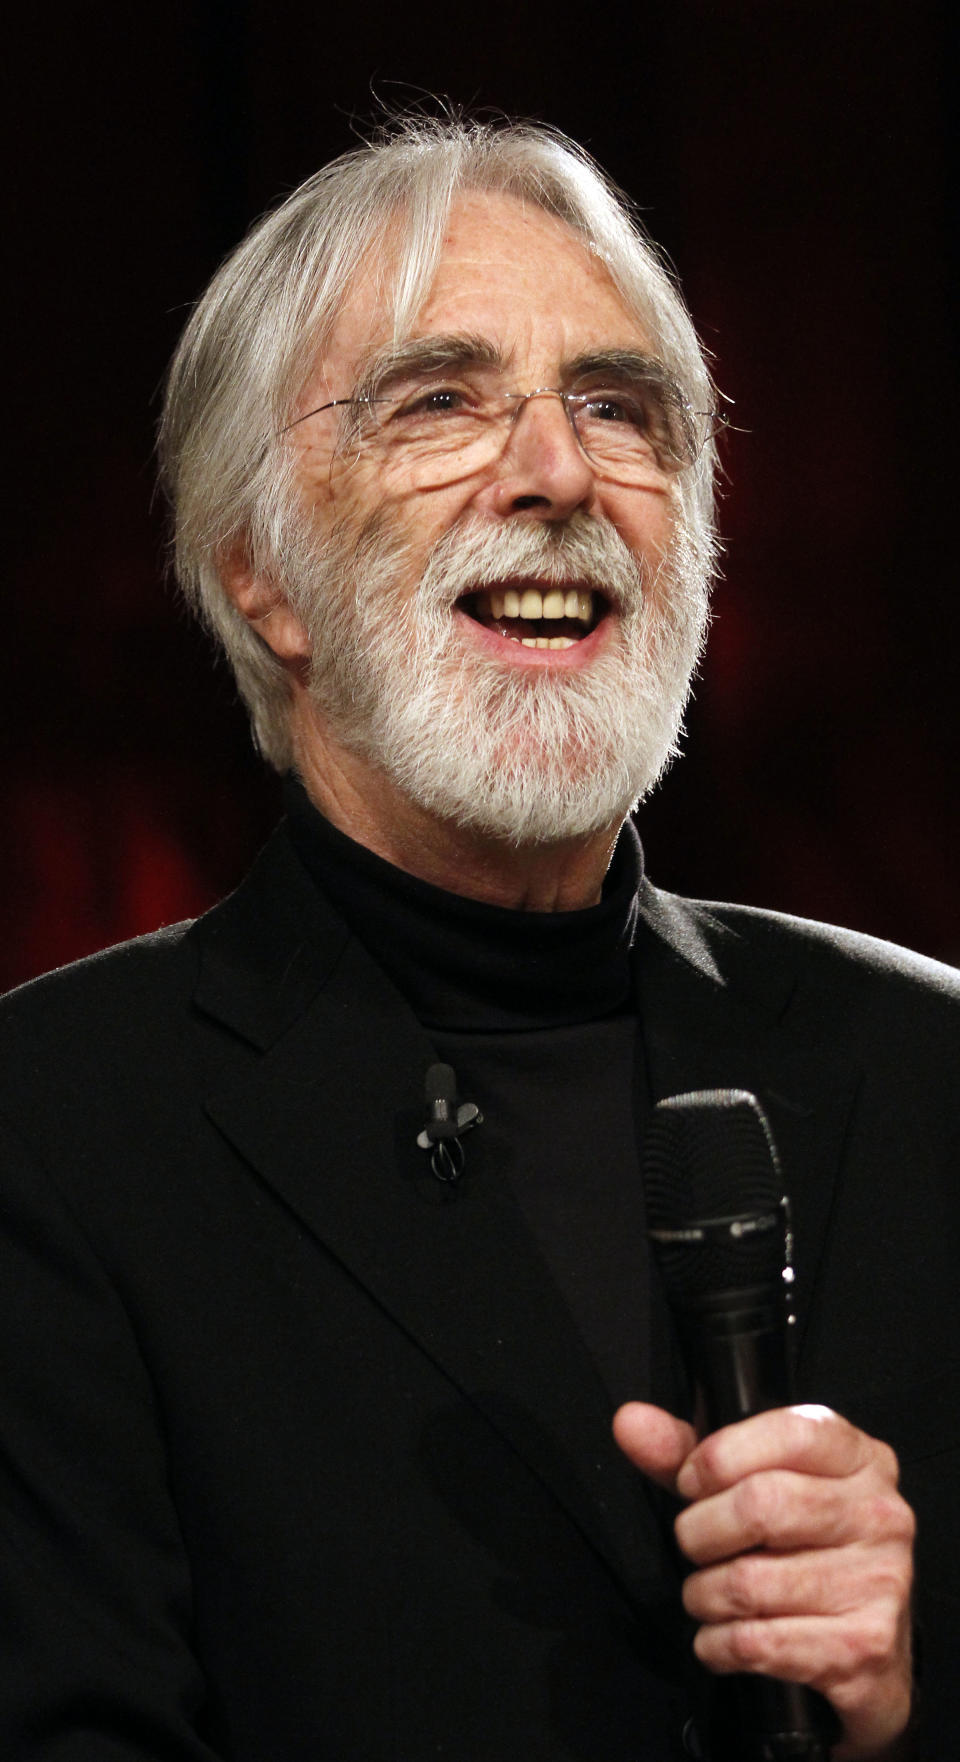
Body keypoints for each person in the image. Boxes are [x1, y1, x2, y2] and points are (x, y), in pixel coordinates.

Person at [0, 115, 953, 1762]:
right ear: (260, 576)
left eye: (619, 407)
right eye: (439, 401)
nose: (560, 472)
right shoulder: (56, 1134)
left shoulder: (936, 1069)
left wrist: (909, 1708)